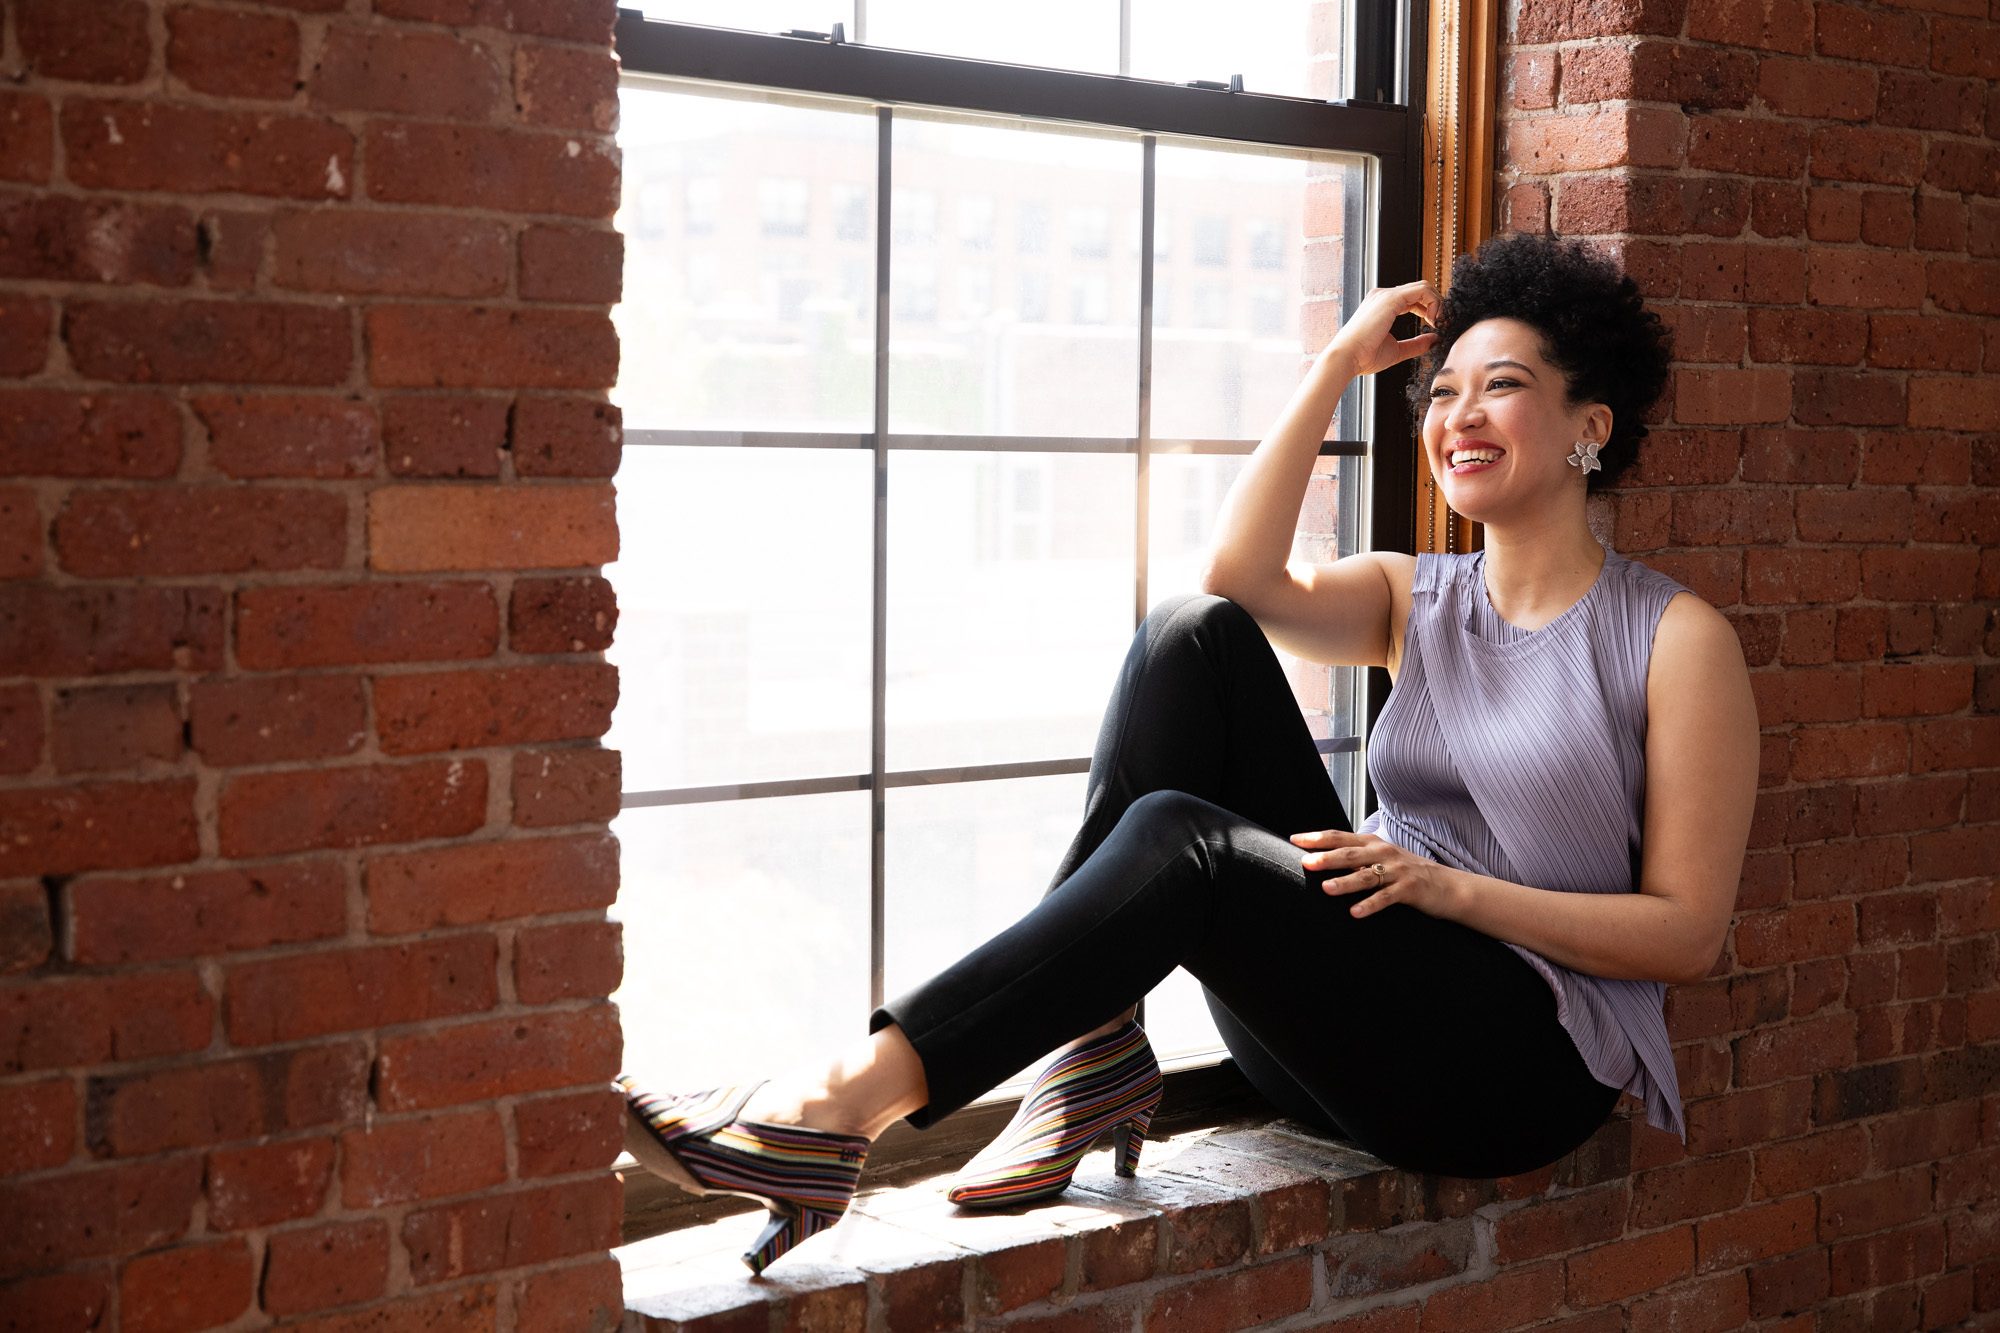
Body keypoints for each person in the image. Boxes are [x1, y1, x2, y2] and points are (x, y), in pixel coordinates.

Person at [617, 232, 1760, 1276]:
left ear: (1588, 425)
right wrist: (1331, 369)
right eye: (1441, 390)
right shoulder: (1419, 596)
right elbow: (1239, 580)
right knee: (1189, 632)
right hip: (1345, 1017)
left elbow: (1685, 932)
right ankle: (1094, 1048)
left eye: (1500, 386)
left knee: (1185, 842)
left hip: (1507, 1070)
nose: (1458, 413)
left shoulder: (1672, 640)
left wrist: (1450, 888)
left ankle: (832, 1113)